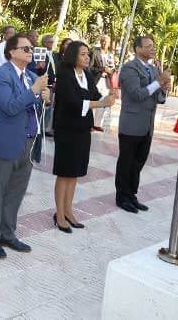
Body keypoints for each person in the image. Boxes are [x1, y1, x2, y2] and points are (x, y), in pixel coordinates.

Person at [0, 34, 50, 259]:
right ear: (12, 52)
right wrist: (33, 92)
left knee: (17, 191)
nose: (31, 52)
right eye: (26, 48)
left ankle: (7, 233)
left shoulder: (31, 76)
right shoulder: (0, 75)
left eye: (31, 49)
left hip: (29, 141)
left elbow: (35, 105)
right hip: (6, 141)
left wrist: (44, 98)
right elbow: (11, 107)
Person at [52, 41, 115, 233]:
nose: (87, 57)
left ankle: (69, 211)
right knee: (64, 172)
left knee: (75, 172)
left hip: (82, 129)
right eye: (83, 54)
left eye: (88, 54)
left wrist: (109, 95)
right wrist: (101, 103)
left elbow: (95, 95)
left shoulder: (86, 74)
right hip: (66, 129)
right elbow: (73, 102)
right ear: (73, 55)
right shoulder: (64, 74)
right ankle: (59, 214)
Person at [115, 36, 170, 214]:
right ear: (137, 49)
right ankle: (122, 197)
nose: (152, 49)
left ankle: (131, 194)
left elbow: (158, 97)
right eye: (148, 46)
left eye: (153, 46)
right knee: (126, 162)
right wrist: (158, 83)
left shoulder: (154, 69)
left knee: (138, 162)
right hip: (131, 124)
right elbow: (137, 94)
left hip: (147, 126)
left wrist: (163, 88)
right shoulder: (129, 68)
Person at [89, 34, 115, 132]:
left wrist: (112, 70)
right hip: (96, 80)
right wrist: (102, 69)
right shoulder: (95, 52)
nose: (104, 43)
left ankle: (97, 124)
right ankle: (90, 123)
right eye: (103, 41)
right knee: (94, 100)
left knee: (103, 102)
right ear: (100, 42)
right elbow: (90, 67)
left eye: (107, 42)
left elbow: (113, 67)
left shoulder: (110, 55)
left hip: (106, 81)